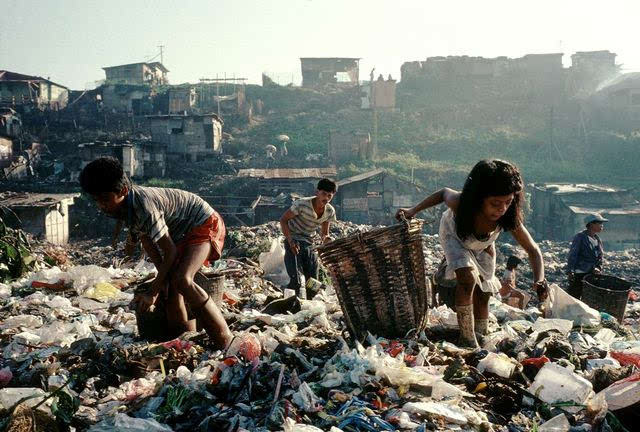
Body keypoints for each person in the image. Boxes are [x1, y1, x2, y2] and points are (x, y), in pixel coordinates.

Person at [79, 157, 232, 349]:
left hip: (204, 222)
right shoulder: (126, 210)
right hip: (180, 234)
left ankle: (225, 341)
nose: (102, 206)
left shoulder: (144, 206)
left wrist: (152, 293)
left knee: (183, 280)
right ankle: (182, 344)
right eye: (97, 200)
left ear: (123, 191)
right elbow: (151, 247)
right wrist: (161, 284)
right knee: (170, 287)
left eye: (105, 199)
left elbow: (170, 252)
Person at [396, 159, 547, 348]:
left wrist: (539, 279)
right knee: (467, 279)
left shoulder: (508, 217)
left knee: (484, 293)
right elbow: (443, 193)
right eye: (495, 203)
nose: (501, 209)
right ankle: (467, 338)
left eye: (508, 202)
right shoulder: (460, 203)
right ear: (479, 198)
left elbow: (533, 249)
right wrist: (412, 211)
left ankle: (480, 332)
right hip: (454, 235)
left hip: (481, 244)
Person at [279, 179, 337, 299]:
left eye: (329, 196)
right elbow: (283, 220)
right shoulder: (301, 204)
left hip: (309, 243)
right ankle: (289, 305)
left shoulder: (330, 211)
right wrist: (290, 241)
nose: (326, 198)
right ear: (317, 192)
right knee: (296, 280)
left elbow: (324, 233)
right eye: (323, 194)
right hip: (293, 240)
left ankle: (310, 306)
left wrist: (327, 239)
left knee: (313, 282)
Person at [566, 213, 607, 299]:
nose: (601, 226)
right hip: (579, 273)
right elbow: (573, 254)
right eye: (599, 223)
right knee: (574, 297)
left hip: (591, 274)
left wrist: (598, 268)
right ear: (591, 224)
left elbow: (600, 257)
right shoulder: (580, 237)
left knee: (589, 298)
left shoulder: (598, 240)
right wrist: (570, 271)